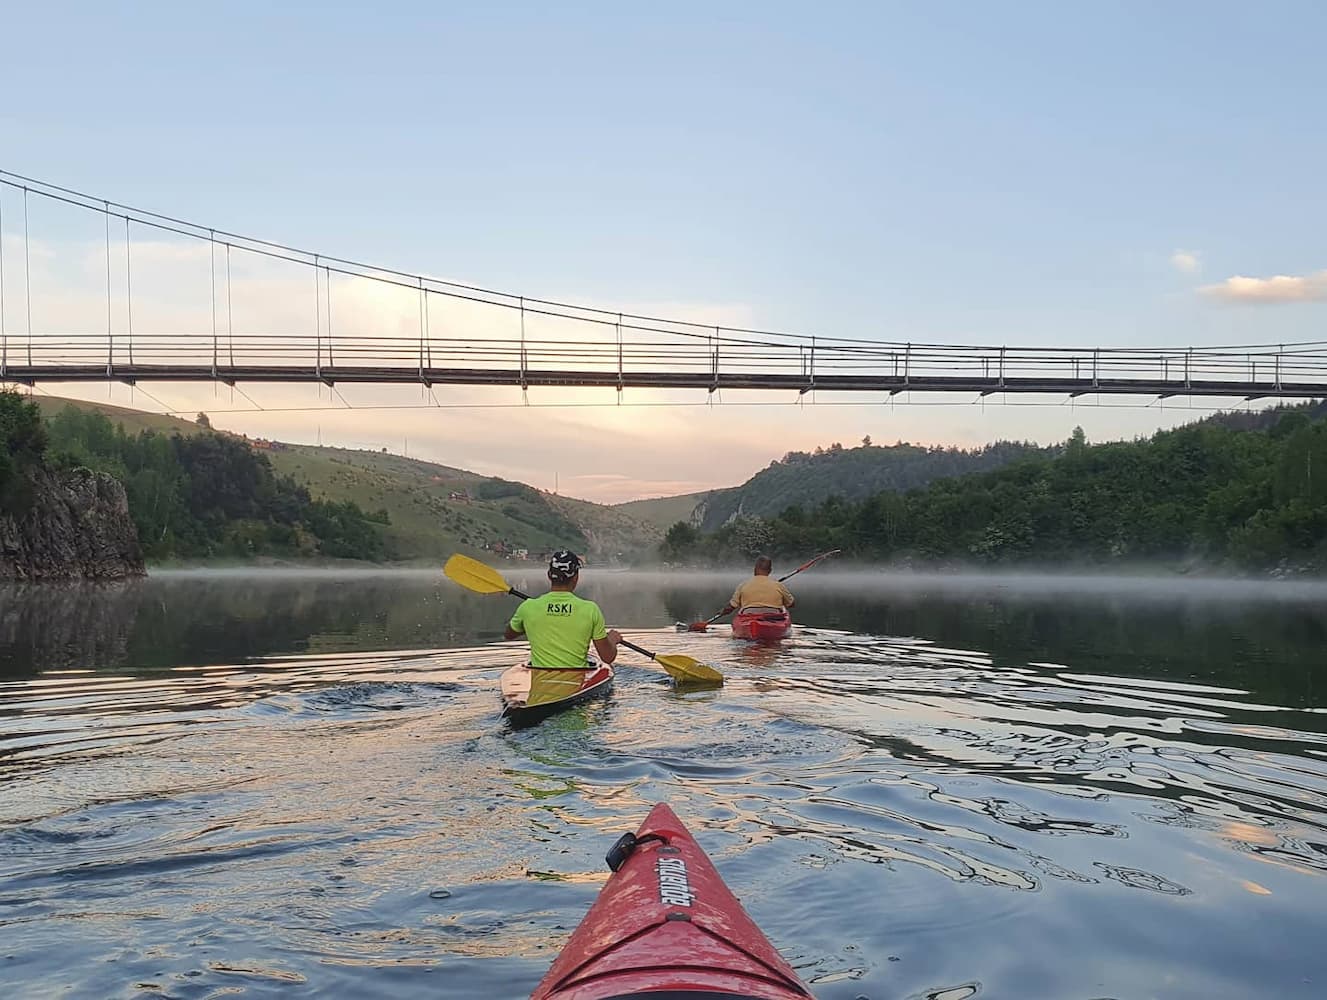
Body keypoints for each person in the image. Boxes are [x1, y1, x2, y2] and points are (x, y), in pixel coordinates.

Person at [504, 550, 622, 705]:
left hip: (537, 689)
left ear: (549, 575)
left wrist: (534, 618)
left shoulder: (528, 607)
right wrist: (612, 640)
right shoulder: (590, 609)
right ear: (576, 577)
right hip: (575, 686)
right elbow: (607, 657)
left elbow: (509, 635)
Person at [720, 555, 795, 616]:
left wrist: (723, 611)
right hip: (773, 617)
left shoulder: (743, 585)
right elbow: (791, 604)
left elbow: (731, 607)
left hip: (749, 616)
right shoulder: (779, 585)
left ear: (755, 569)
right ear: (770, 570)